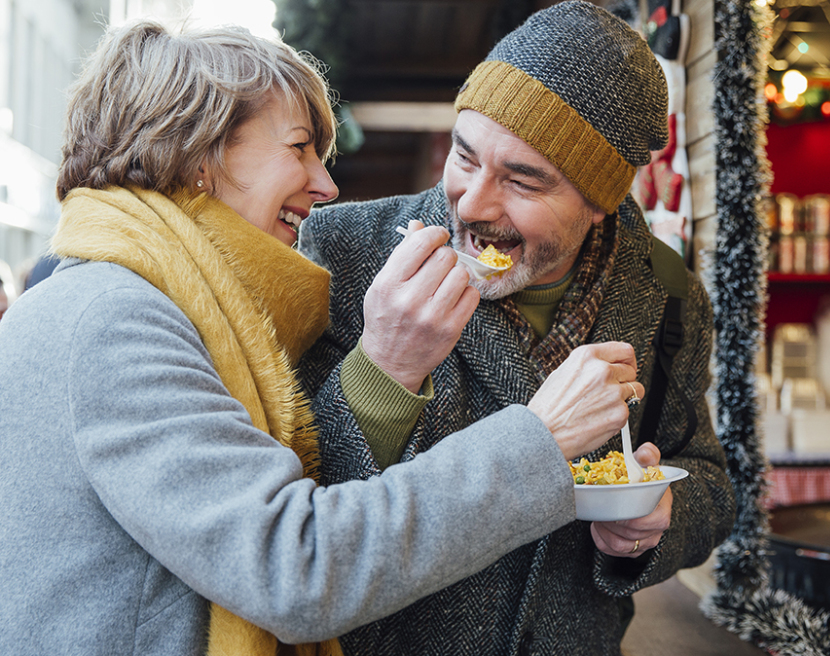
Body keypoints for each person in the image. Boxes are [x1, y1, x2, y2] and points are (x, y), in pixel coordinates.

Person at [0, 19, 645, 656]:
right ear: (201, 155)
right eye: (299, 147)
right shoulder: (115, 319)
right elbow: (295, 566)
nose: (326, 185)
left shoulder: (166, 304)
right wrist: (540, 439)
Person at [297, 2, 737, 654]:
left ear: (598, 204)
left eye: (523, 180)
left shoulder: (669, 295)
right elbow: (288, 521)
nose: (472, 203)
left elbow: (707, 475)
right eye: (464, 156)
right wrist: (383, 366)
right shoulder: (344, 253)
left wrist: (661, 523)